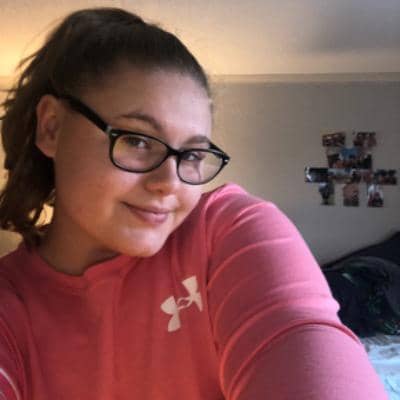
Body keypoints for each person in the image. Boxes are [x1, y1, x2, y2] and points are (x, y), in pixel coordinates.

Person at [0, 7, 388, 400]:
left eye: (192, 155)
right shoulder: (9, 305)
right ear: (52, 127)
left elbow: (299, 334)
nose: (169, 183)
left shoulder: (227, 232)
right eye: (137, 140)